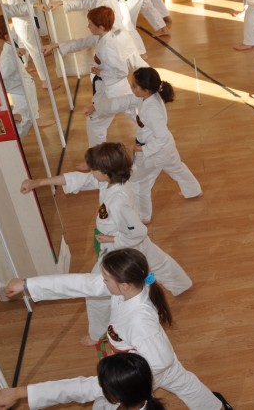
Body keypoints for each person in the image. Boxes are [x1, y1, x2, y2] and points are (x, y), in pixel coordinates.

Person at [2, 249, 221, 409]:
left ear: (124, 284)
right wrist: (27, 285)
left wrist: (124, 370)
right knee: (186, 384)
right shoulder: (128, 288)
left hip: (144, 370)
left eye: (105, 278)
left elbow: (81, 388)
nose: (102, 281)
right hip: (143, 362)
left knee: (105, 401)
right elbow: (82, 283)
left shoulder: (140, 322)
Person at [20, 142, 193, 344]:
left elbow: (138, 231)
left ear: (105, 172)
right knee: (159, 262)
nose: (90, 171)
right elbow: (79, 179)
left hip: (120, 250)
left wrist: (113, 239)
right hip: (133, 244)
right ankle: (182, 284)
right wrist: (38, 182)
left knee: (95, 294)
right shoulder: (115, 178)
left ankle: (98, 333)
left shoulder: (118, 202)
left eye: (94, 168)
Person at [93, 67, 202, 224]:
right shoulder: (149, 96)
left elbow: (161, 136)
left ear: (145, 90)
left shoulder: (151, 109)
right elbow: (125, 101)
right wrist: (97, 107)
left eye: (134, 86)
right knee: (177, 167)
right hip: (166, 149)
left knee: (139, 183)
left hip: (155, 152)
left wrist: (144, 148)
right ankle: (193, 190)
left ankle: (143, 216)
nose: (131, 88)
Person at [43, 7, 133, 148]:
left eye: (90, 24)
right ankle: (155, 135)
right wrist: (54, 45)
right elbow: (81, 42)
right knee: (137, 114)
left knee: (95, 123)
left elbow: (122, 71)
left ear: (101, 27)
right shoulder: (104, 35)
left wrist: (100, 73)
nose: (88, 26)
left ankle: (96, 160)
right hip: (116, 89)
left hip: (112, 92)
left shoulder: (108, 47)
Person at [47, 0, 148, 71]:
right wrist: (60, 3)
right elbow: (84, 2)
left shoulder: (105, 5)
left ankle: (158, 85)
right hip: (122, 39)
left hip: (119, 44)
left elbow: (88, 41)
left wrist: (58, 45)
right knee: (141, 69)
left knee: (141, 71)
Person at [0, 353, 166, 410]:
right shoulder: (132, 385)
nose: (97, 383)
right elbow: (74, 388)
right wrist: (19, 392)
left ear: (115, 395)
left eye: (102, 383)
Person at [0, 15, 52, 137]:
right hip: (19, 90)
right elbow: (3, 76)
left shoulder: (10, 47)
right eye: (10, 29)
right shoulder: (7, 57)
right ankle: (14, 139)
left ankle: (34, 120)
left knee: (29, 110)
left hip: (23, 86)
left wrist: (17, 51)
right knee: (23, 118)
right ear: (6, 36)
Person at [1, 0, 55, 90]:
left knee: (26, 47)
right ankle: (45, 81)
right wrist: (34, 6)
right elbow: (15, 10)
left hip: (24, 23)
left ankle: (24, 68)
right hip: (24, 23)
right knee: (36, 51)